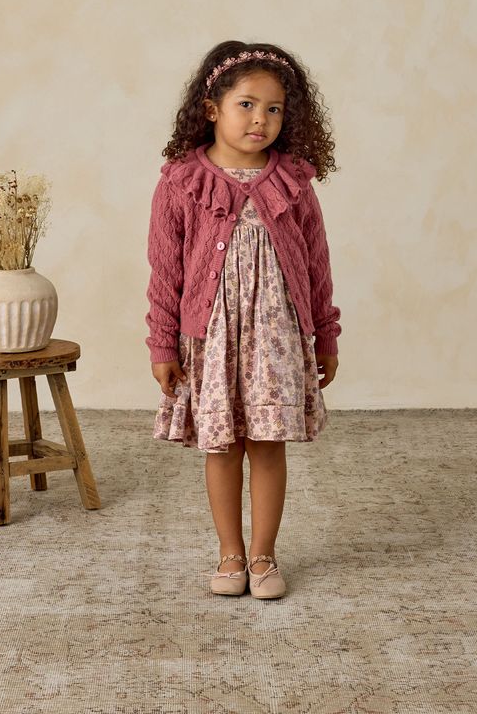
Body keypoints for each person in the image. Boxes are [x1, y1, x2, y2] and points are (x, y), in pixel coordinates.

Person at [145, 41, 342, 599]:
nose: (261, 119)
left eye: (275, 109)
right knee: (223, 445)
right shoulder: (182, 182)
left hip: (277, 339)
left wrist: (325, 333)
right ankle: (229, 553)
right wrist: (163, 344)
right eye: (247, 105)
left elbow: (317, 262)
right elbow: (165, 269)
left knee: (268, 444)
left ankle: (264, 555)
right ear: (212, 108)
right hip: (212, 337)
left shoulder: (294, 181)